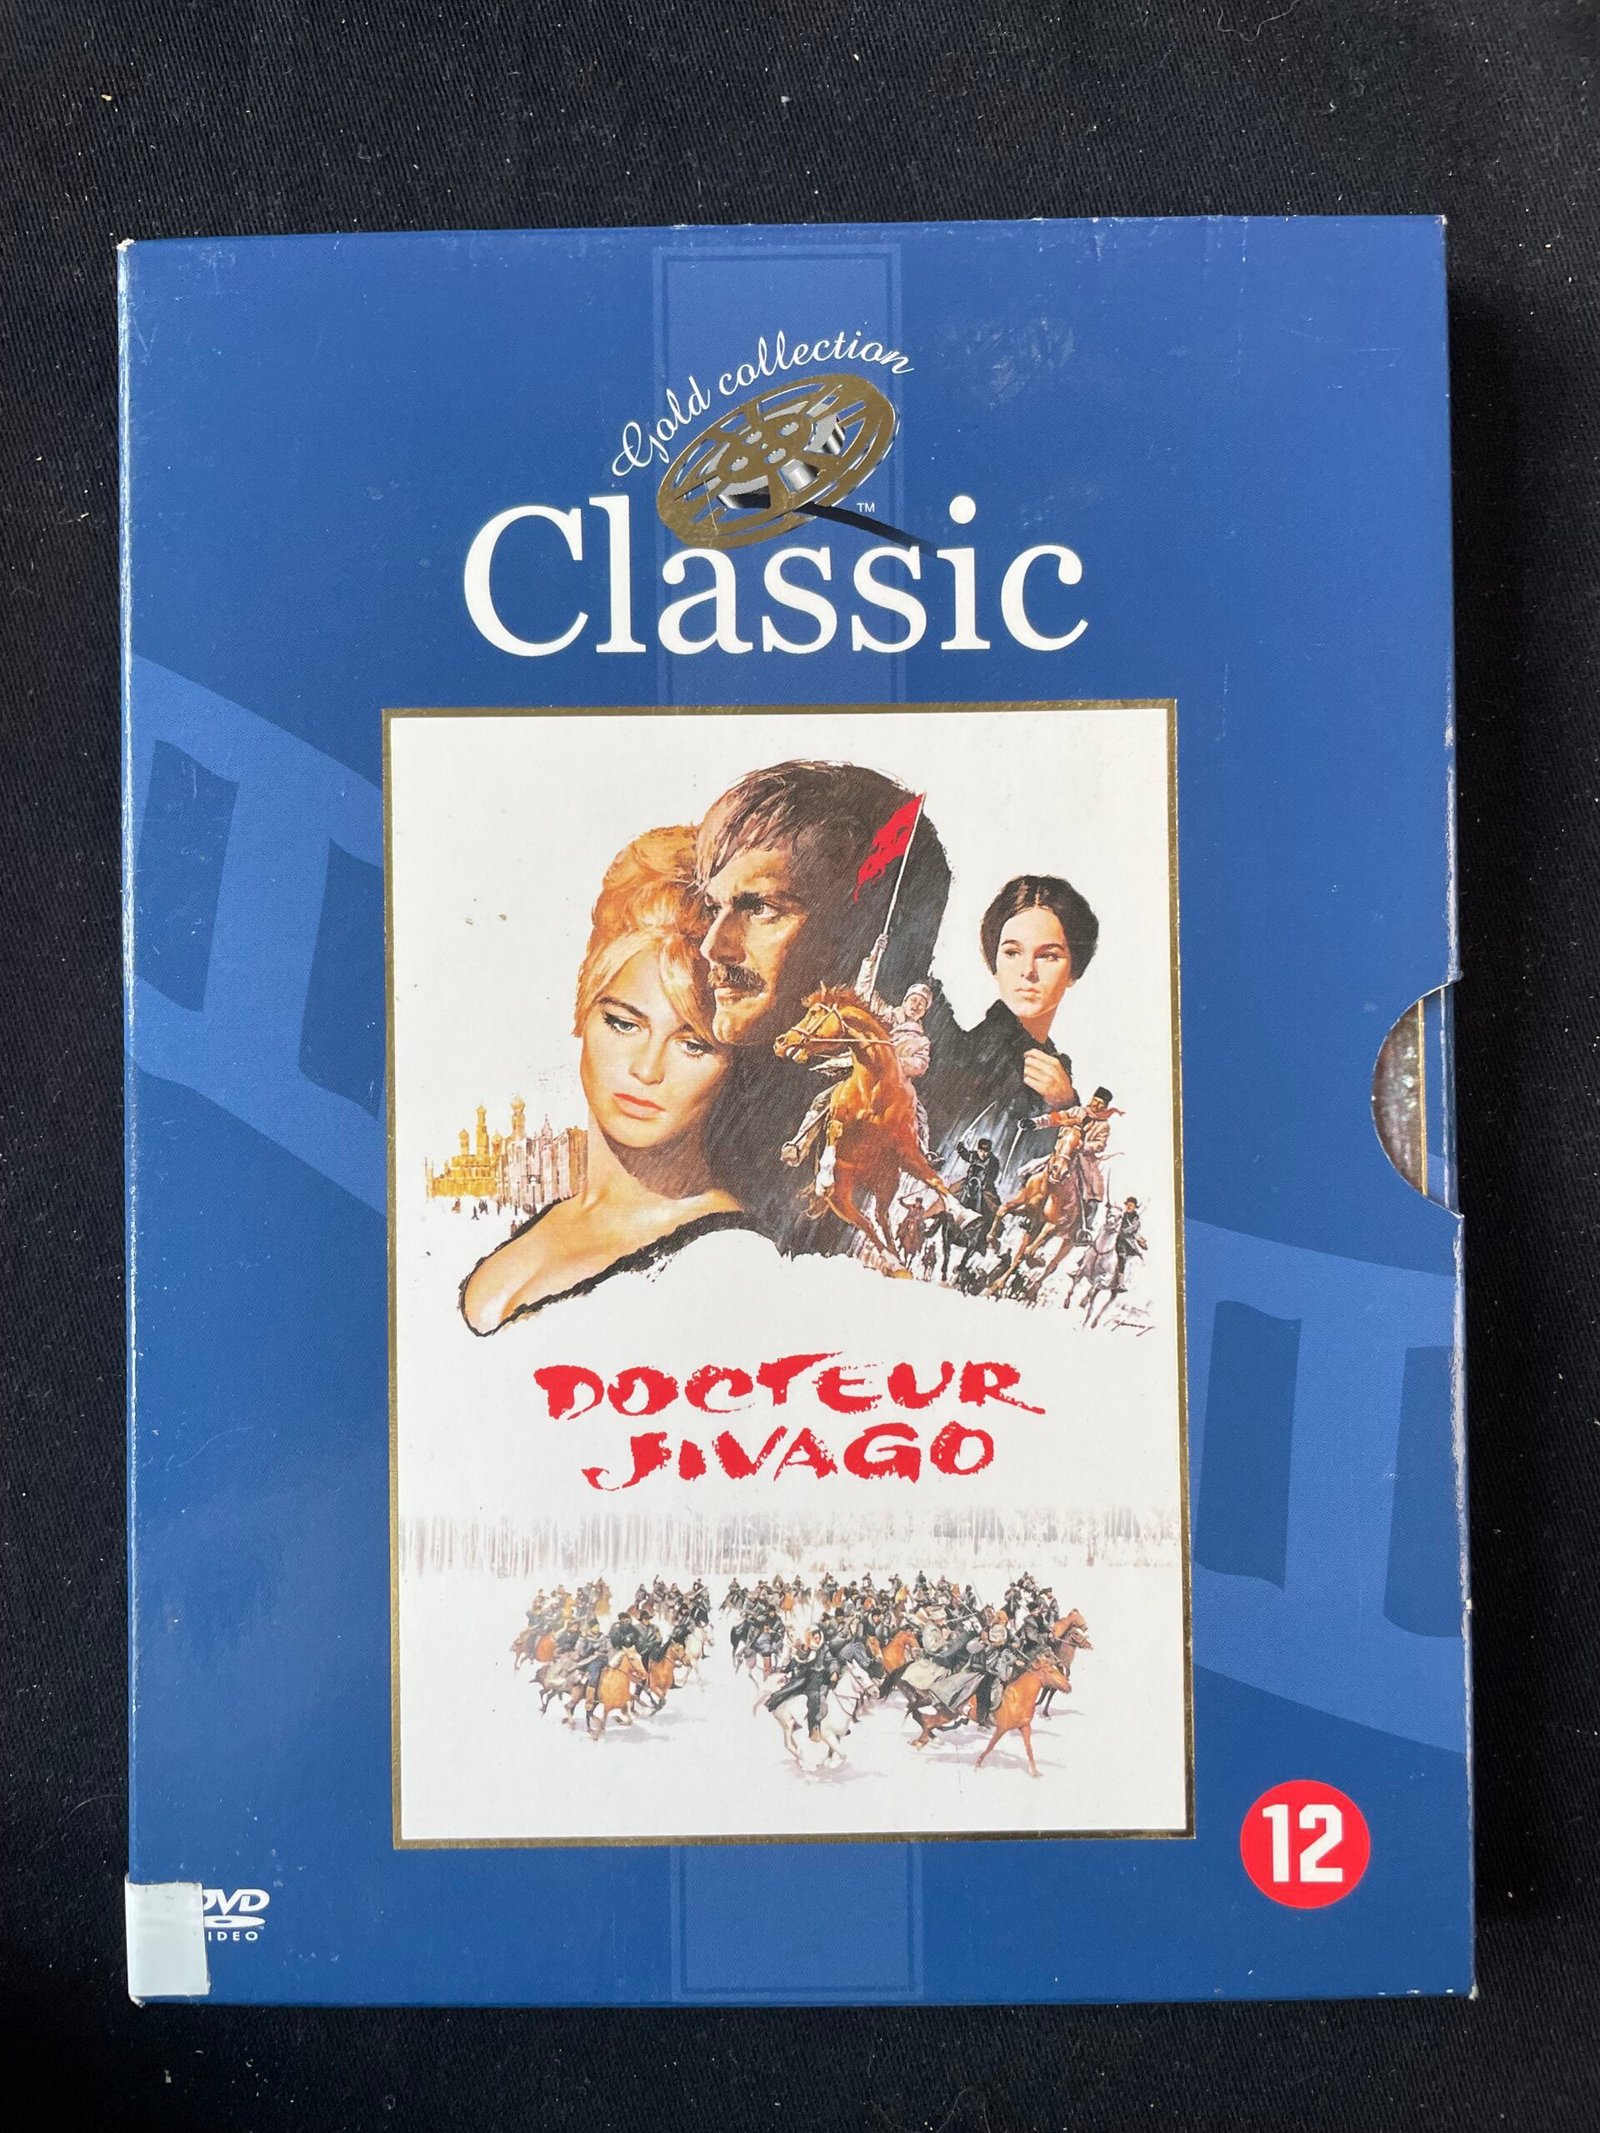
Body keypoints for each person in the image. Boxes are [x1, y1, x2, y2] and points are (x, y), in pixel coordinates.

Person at [460, 826, 769, 1330]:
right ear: (584, 1010)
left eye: (693, 1045)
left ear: (731, 1064)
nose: (647, 1070)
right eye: (624, 1024)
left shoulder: (728, 1259)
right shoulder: (550, 1219)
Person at [693, 761, 950, 1251]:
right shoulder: (703, 1104)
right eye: (713, 908)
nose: (713, 946)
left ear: (851, 929)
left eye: (761, 908)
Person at [924, 874, 1100, 1196]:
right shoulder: (958, 1053)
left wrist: (1065, 1103)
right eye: (1012, 952)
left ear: (1073, 971)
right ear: (994, 961)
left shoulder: (1058, 1077)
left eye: (1048, 955)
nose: (1027, 971)